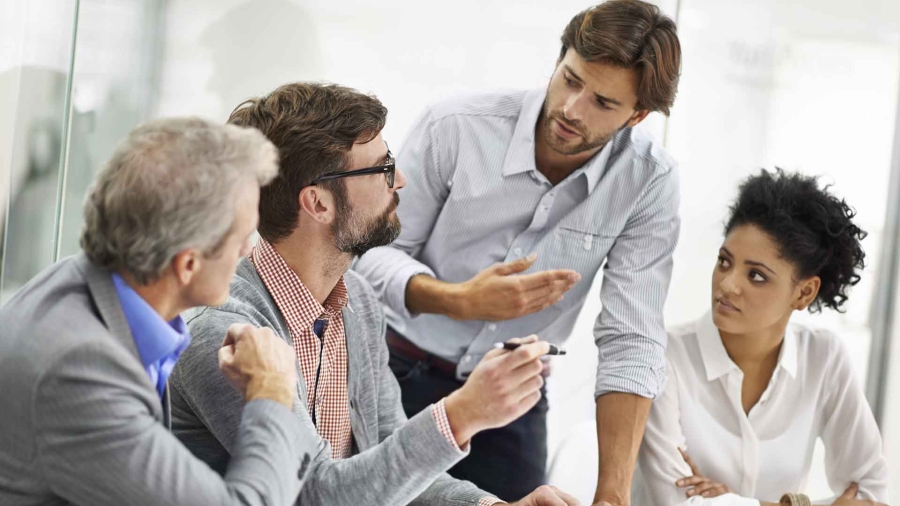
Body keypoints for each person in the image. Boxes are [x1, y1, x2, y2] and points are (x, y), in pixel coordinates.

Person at [169, 83, 580, 506]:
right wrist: (463, 414)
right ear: (318, 203)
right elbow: (313, 495)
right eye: (382, 167)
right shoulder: (223, 336)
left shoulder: (358, 303)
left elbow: (391, 470)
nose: (399, 180)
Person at [352, 1, 682, 503]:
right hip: (397, 371)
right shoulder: (456, 126)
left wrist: (612, 495)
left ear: (637, 116)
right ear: (558, 61)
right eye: (570, 80)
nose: (573, 109)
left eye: (603, 103)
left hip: (515, 399)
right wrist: (460, 300)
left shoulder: (648, 183)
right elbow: (366, 258)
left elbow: (631, 338)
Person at [0, 117, 317, 505]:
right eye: (242, 236)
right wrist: (270, 391)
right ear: (188, 265)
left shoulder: (93, 285)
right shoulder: (78, 371)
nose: (248, 251)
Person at [635, 169, 888, 506]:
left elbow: (871, 493)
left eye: (756, 275)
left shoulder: (823, 357)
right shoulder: (663, 357)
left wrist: (730, 500)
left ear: (804, 293)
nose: (727, 284)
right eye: (724, 262)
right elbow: (677, 501)